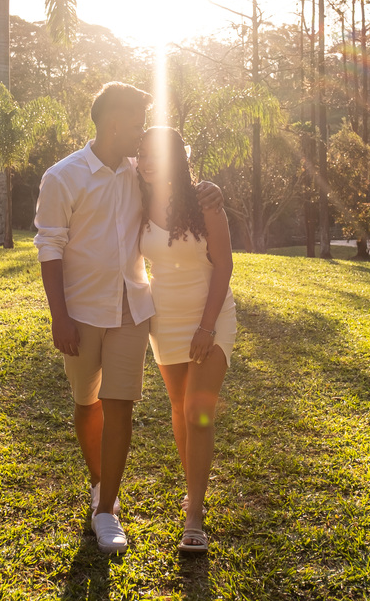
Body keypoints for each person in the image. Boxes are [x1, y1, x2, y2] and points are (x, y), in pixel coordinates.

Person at [34, 84, 221, 556]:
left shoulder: (139, 171)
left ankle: (106, 511)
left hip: (132, 308)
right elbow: (49, 247)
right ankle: (99, 483)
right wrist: (60, 317)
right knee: (86, 404)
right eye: (137, 124)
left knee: (120, 405)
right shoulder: (62, 177)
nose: (141, 136)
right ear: (114, 123)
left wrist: (210, 188)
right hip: (80, 310)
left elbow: (174, 168)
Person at [136, 126, 236, 555]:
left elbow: (226, 265)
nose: (146, 161)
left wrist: (206, 326)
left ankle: (194, 515)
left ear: (176, 157)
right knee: (178, 408)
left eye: (156, 154)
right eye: (142, 154)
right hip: (165, 319)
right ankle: (194, 489)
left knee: (199, 410)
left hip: (210, 316)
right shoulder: (135, 199)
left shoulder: (203, 201)